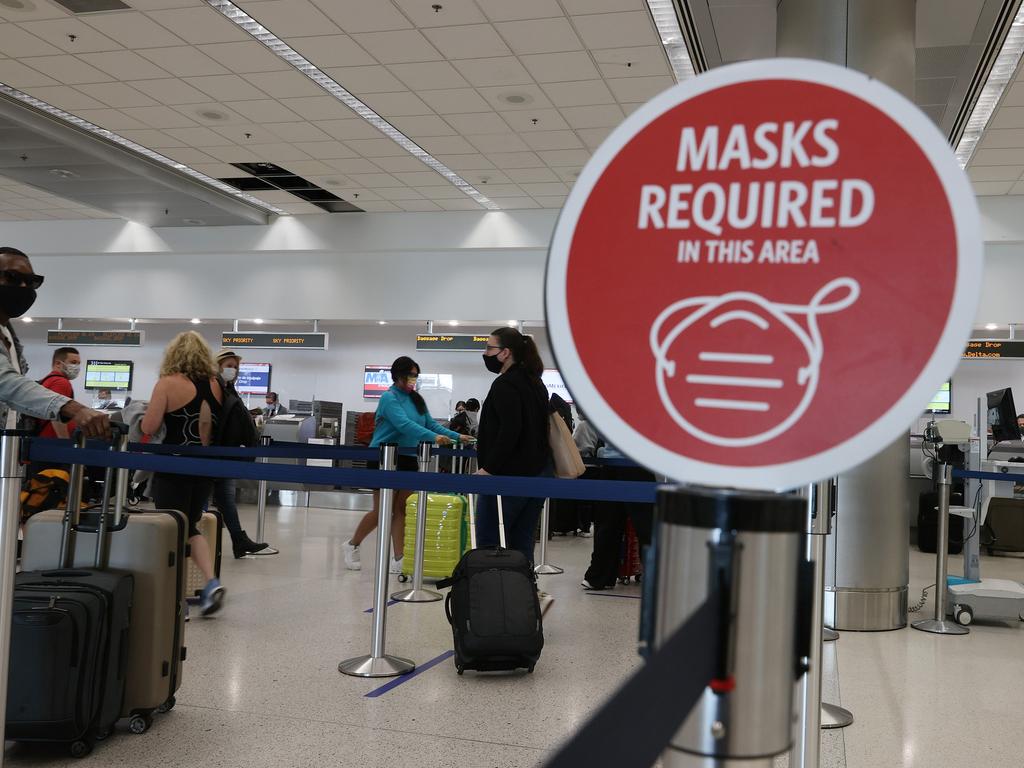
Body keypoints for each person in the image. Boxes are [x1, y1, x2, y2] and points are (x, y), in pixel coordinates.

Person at [343, 356, 472, 572]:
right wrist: (433, 438)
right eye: (410, 375)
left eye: (415, 376)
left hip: (407, 457)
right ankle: (352, 545)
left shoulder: (416, 399)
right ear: (398, 376)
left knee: (402, 509)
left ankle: (399, 558)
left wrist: (458, 437)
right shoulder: (388, 398)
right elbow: (404, 425)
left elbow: (430, 424)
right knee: (382, 510)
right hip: (384, 455)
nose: (413, 380)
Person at [141, 331, 225, 617]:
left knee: (172, 530)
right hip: (204, 467)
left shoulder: (167, 383)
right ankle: (211, 582)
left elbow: (149, 427)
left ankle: (177, 601)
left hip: (172, 466)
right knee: (191, 528)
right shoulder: (215, 384)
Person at [0, 247, 109, 439]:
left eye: (32, 281)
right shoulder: (59, 382)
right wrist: (72, 408)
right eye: (13, 277)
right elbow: (6, 384)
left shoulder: (9, 334)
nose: (24, 287)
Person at [475, 328, 551, 569]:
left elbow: (510, 430)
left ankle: (492, 597)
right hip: (536, 475)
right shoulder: (535, 382)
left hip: (507, 477)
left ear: (505, 353)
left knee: (489, 542)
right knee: (522, 542)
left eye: (489, 348)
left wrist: (488, 468)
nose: (485, 353)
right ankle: (522, 595)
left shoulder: (505, 385)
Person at [214, 349, 276, 559]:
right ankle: (233, 540)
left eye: (236, 367)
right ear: (218, 365)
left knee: (226, 498)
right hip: (217, 454)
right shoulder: (215, 387)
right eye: (229, 365)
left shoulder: (228, 388)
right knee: (217, 498)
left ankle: (239, 540)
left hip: (225, 453)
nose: (233, 370)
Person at [581, 441, 655, 591]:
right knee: (612, 523)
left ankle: (600, 575)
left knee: (617, 523)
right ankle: (601, 575)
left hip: (628, 462)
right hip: (628, 462)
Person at [35, 347, 80, 439]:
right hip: (53, 441)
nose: (77, 367)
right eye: (73, 362)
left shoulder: (48, 380)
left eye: (78, 363)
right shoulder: (61, 382)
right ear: (58, 363)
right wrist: (64, 441)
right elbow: (56, 414)